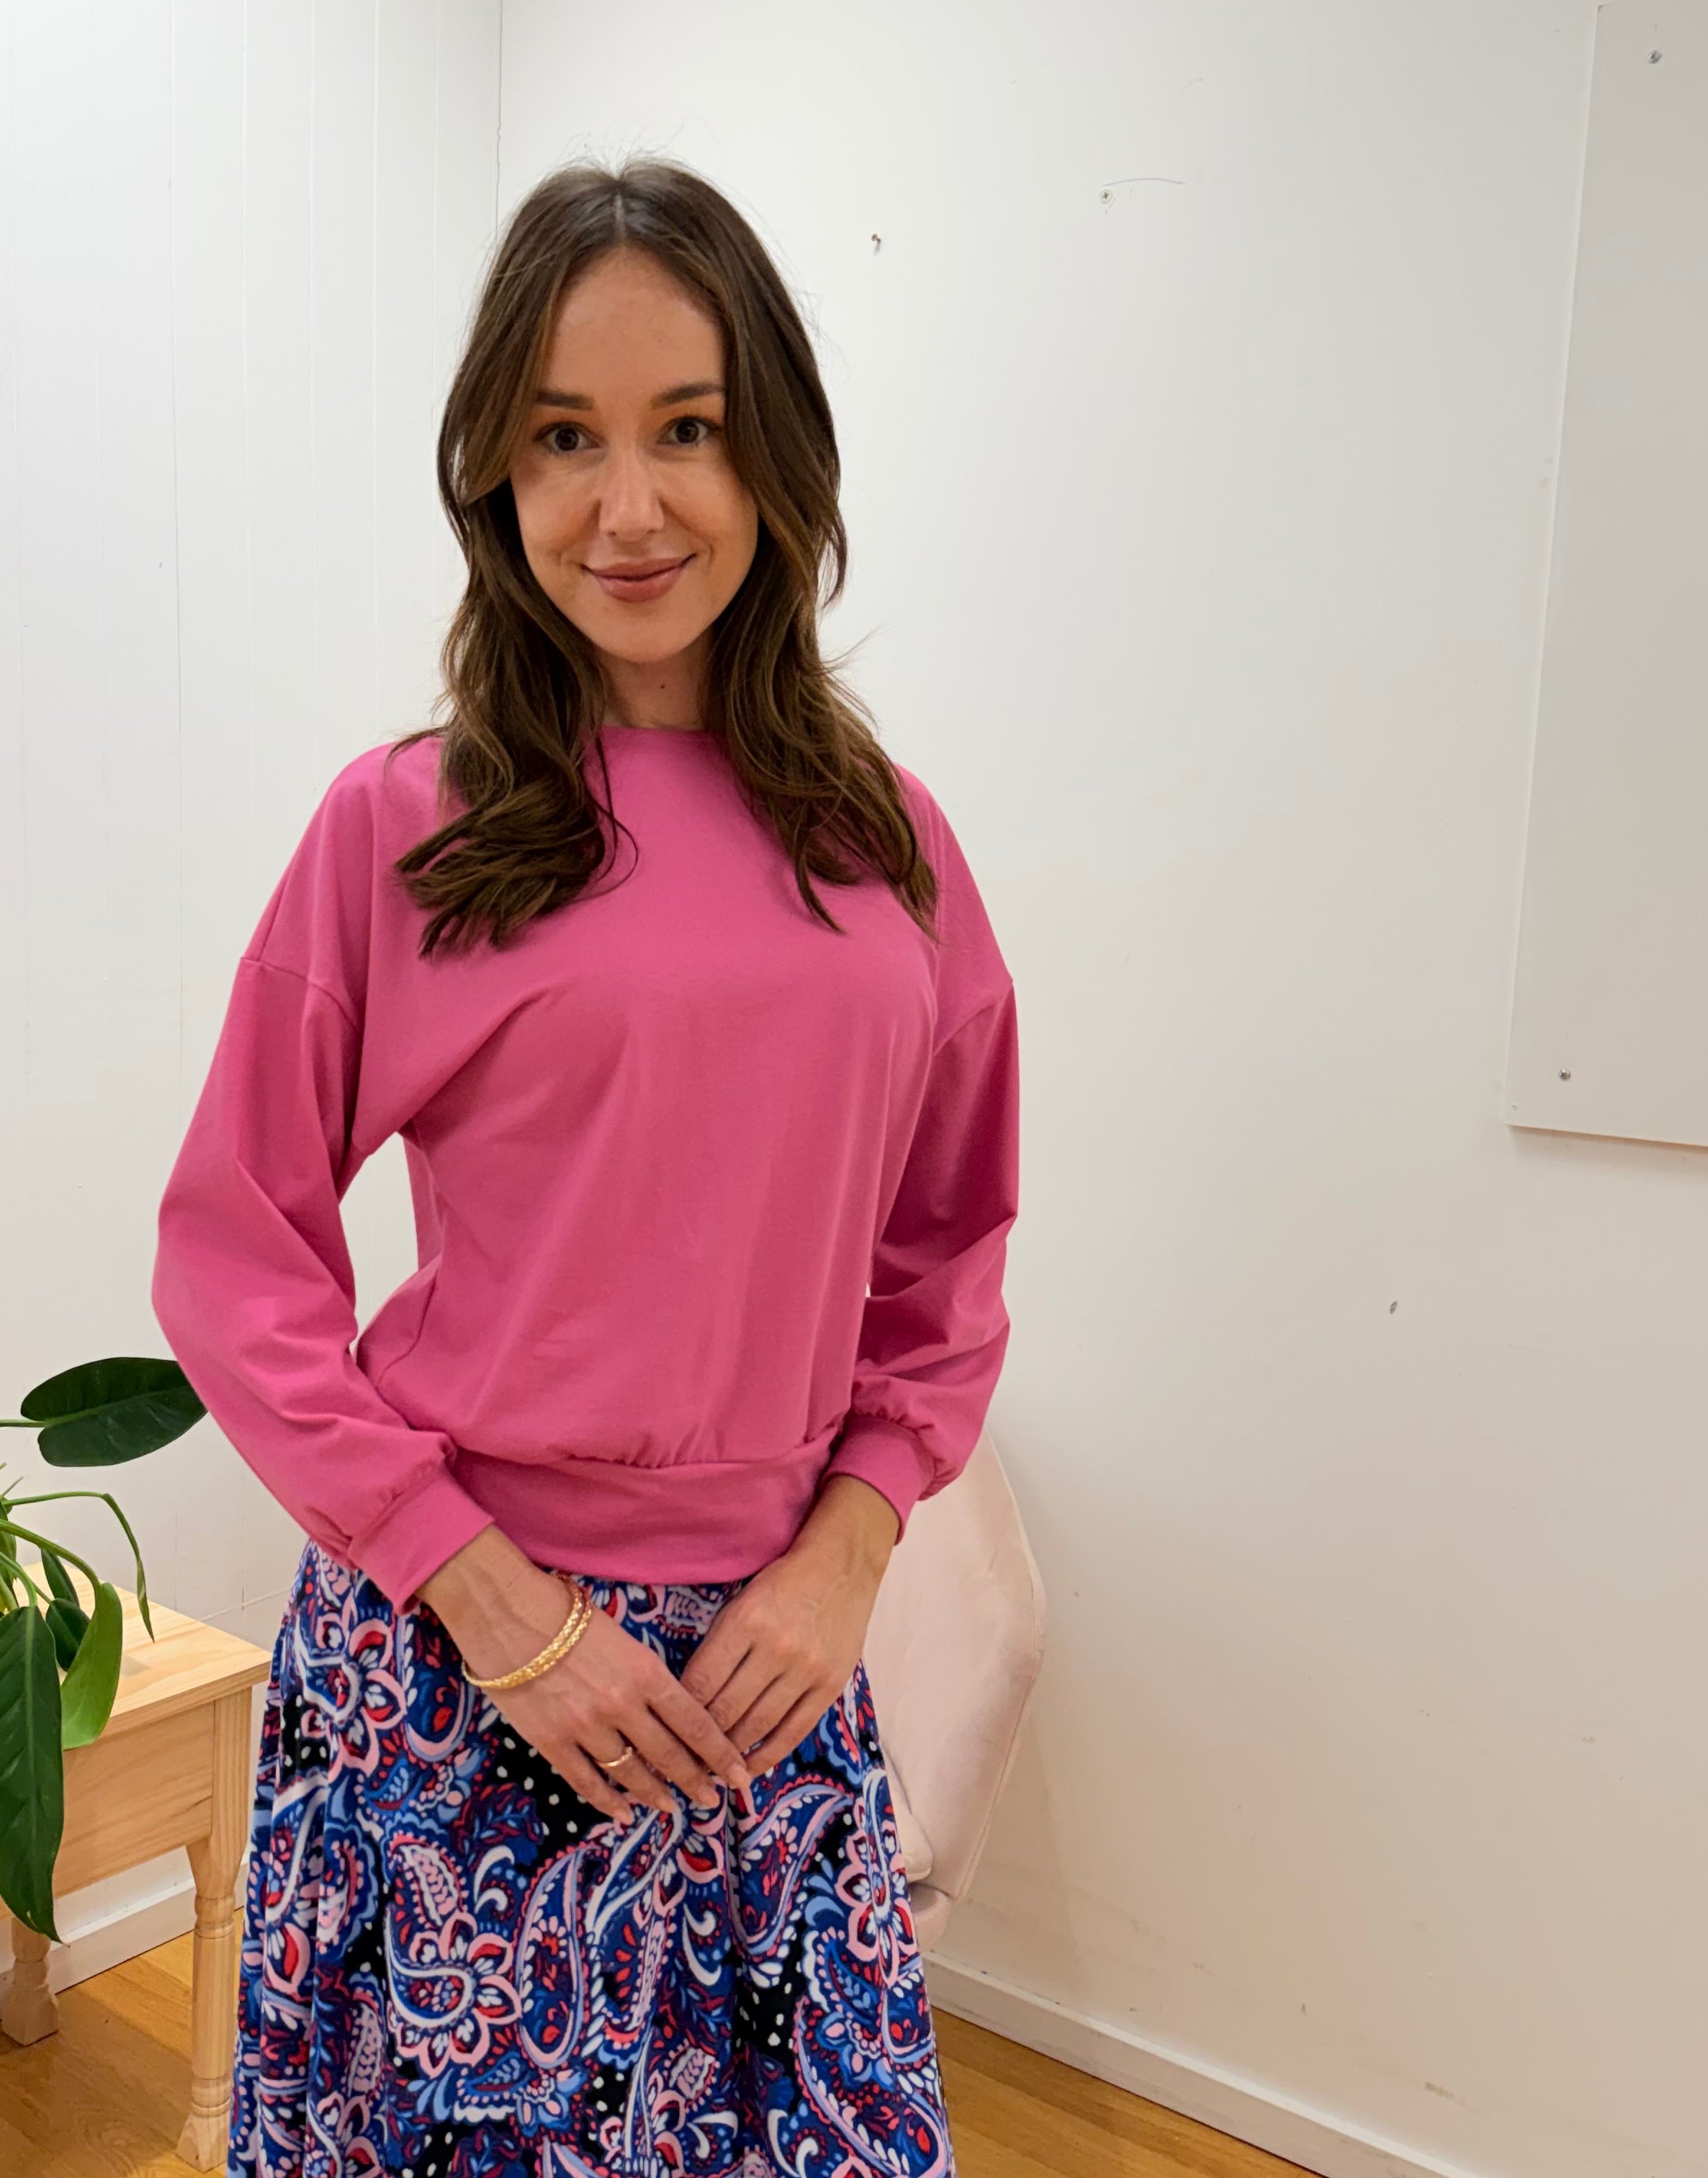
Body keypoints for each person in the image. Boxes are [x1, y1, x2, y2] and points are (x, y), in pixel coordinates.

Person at [150, 153, 1017, 2178]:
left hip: (769, 1674)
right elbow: (233, 1251)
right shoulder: (405, 827)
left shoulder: (891, 849)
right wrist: (490, 1601)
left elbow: (948, 1248)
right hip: (457, 1669)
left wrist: (850, 1548)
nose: (627, 508)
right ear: (496, 477)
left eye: (686, 429)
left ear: (775, 451)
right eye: (563, 439)